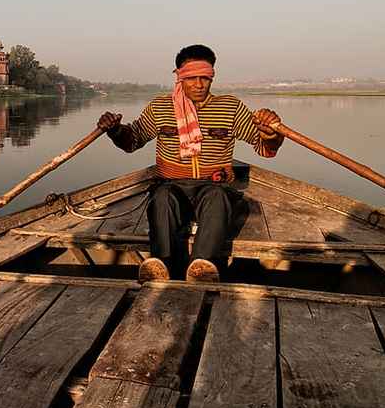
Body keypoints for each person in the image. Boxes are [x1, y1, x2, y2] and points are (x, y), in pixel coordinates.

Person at [97, 44, 284, 283]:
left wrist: (271, 132)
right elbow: (132, 141)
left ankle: (203, 268)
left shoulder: (231, 107)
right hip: (171, 185)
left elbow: (264, 147)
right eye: (192, 78)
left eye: (205, 78)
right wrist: (114, 130)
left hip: (214, 186)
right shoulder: (160, 107)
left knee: (217, 198)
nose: (199, 84)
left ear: (212, 76)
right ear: (179, 77)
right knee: (162, 198)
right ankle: (162, 267)